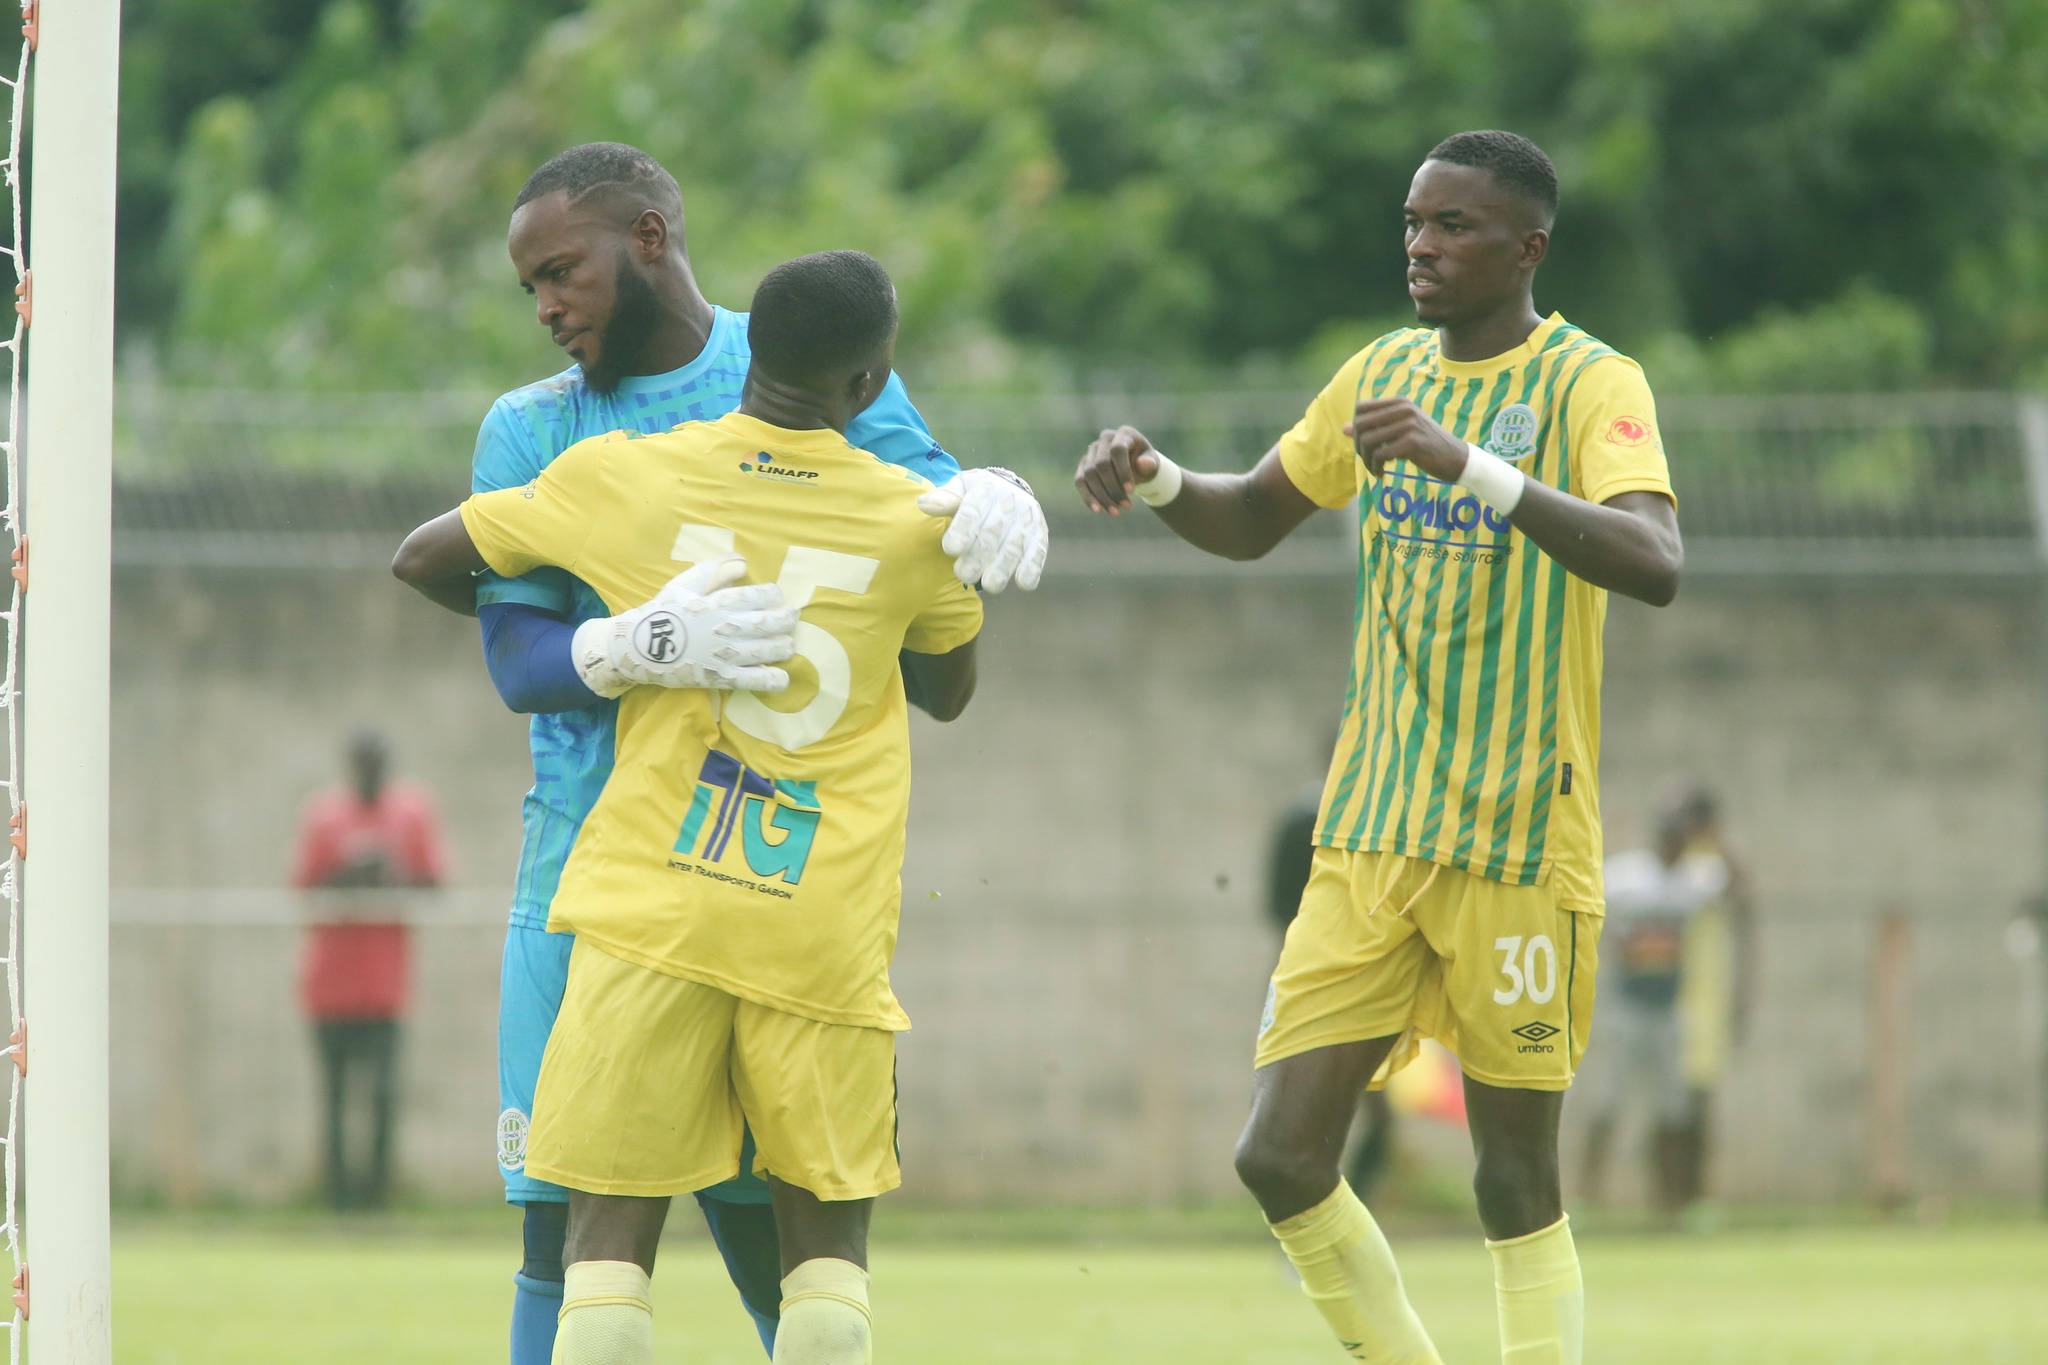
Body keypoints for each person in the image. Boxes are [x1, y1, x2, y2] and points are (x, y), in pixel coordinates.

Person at [393, 143, 1048, 1363]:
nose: (545, 307)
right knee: (559, 1235)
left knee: (725, 1235)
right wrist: (624, 646)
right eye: (529, 287)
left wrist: (996, 485)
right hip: (586, 869)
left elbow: (939, 517)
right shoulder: (529, 427)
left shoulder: (783, 353)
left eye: (560, 273)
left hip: (700, 879)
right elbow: (514, 659)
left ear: (647, 238)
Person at [1074, 129, 1683, 1364]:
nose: (1421, 244)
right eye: (1413, 221)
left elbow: (1653, 561)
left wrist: (1478, 471)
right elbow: (1250, 516)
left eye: (1453, 226)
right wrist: (1151, 478)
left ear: (1527, 245)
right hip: (1367, 839)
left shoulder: (1588, 384)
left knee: (1512, 1178)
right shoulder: (1378, 375)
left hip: (1515, 841)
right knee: (1277, 1156)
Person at [1578, 786, 1750, 1220]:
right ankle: (1585, 1199)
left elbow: (1736, 886)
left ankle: (1672, 1204)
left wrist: (1716, 838)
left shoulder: (1693, 879)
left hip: (1669, 1010)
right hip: (1627, 1006)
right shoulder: (1626, 876)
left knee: (1673, 1110)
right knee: (1608, 1101)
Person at [292, 732, 447, 1210]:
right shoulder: (324, 815)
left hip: (385, 986)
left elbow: (434, 882)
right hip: (330, 986)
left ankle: (378, 1199)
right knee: (334, 1097)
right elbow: (303, 886)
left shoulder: (412, 812)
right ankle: (337, 1200)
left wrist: (392, 873)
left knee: (383, 1096)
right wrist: (345, 874)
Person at [1268, 778, 1396, 1202]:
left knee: (1373, 1117)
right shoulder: (1309, 823)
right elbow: (1279, 907)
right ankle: (1307, 1223)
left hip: (1371, 983)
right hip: (1317, 984)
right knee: (1312, 1116)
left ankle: (1343, 1215)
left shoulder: (1385, 820)